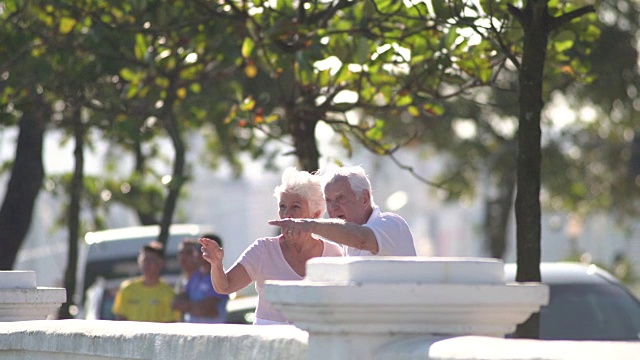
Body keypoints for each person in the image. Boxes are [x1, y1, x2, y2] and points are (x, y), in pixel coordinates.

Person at [199, 167, 343, 325]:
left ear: (315, 214)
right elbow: (225, 287)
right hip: (267, 341)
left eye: (295, 207)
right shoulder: (263, 249)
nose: (287, 213)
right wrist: (216, 264)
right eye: (282, 207)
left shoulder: (334, 253)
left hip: (312, 340)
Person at [269, 165, 416, 256]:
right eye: (329, 201)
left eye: (340, 198)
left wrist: (309, 225)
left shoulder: (391, 224)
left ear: (364, 198)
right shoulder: (347, 246)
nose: (333, 208)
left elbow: (362, 239)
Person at [112, 241, 180, 322]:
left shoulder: (168, 294)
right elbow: (120, 317)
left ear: (161, 263)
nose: (146, 264)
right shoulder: (127, 288)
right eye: (144, 259)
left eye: (151, 260)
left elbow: (170, 323)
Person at [172, 237, 228, 323]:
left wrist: (188, 306)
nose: (196, 254)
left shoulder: (219, 277)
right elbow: (176, 303)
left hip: (213, 333)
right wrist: (195, 306)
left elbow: (208, 310)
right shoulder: (195, 276)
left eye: (201, 249)